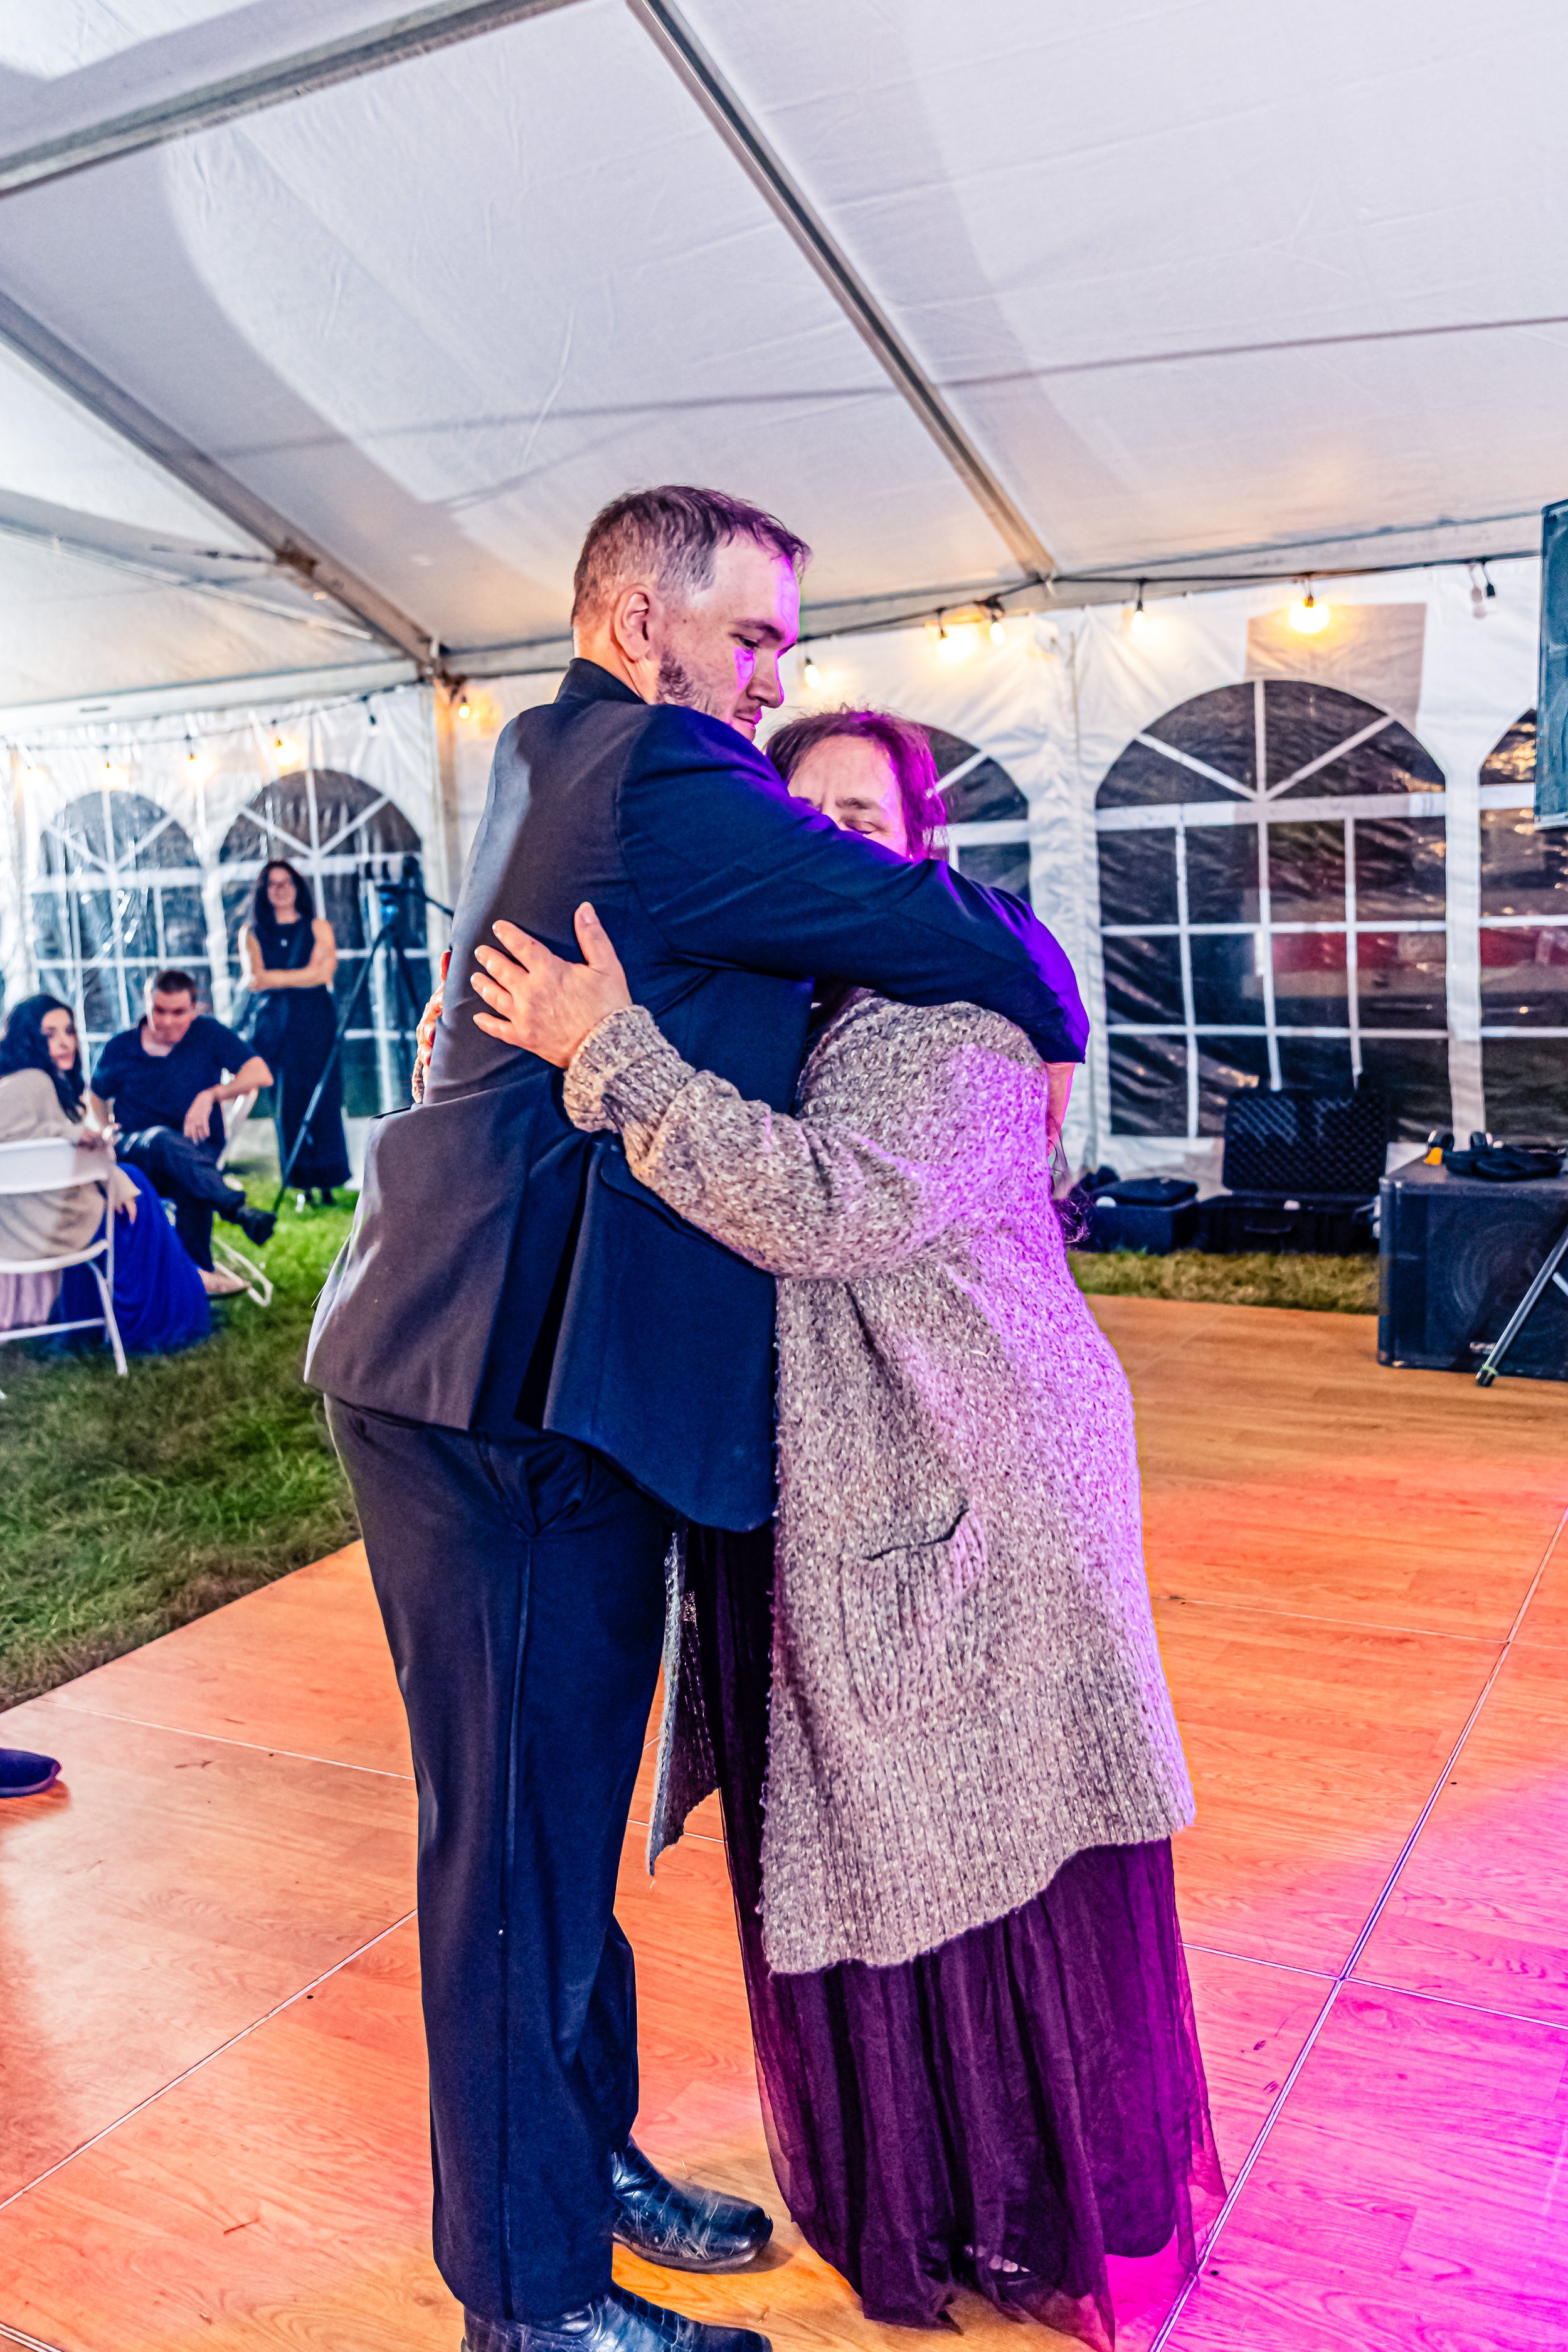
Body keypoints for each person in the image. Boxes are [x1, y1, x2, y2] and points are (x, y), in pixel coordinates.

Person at [305, 485, 1088, 2352]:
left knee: (536, 1826)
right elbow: (933, 925)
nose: (772, 675)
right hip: (511, 1391)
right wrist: (1052, 1003)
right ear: (637, 619)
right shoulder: (658, 772)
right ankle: (533, 2292)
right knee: (515, 1852)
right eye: (751, 636)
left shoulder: (543, 751)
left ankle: (573, 2159)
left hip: (481, 1365)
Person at [468, 706, 1221, 2352]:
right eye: (790, 808)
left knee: (976, 1871)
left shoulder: (941, 1003)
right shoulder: (808, 993)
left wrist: (611, 1050)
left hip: (965, 1491)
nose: (820, 836)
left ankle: (1012, 2210)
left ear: (917, 842)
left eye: (856, 811)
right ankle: (949, 2190)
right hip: (885, 1477)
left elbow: (825, 1207)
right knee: (918, 1864)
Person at [0, 993, 209, 1347]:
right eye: (50, 1035)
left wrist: (94, 1151)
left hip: (46, 1217)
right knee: (136, 1193)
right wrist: (79, 1140)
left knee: (134, 1183)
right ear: (27, 1039)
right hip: (38, 1224)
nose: (65, 1042)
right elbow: (22, 1143)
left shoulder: (42, 1081)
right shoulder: (30, 1081)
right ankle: (152, 1318)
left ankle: (177, 1291)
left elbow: (48, 1144)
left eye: (69, 1031)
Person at [89, 970, 277, 1281]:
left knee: (189, 1175)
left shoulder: (208, 1034)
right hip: (136, 1150)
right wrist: (103, 1126)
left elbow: (261, 1074)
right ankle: (236, 1210)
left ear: (195, 1009)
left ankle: (195, 1276)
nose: (167, 1021)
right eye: (159, 1010)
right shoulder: (121, 1046)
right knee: (162, 1140)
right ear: (147, 1005)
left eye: (178, 1012)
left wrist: (212, 1094)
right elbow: (95, 1096)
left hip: (195, 1151)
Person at [241, 859, 350, 1206]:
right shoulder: (253, 933)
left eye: (286, 882)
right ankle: (301, 1183)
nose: (281, 890)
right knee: (289, 1102)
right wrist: (304, 974)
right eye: (273, 884)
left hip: (317, 1022)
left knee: (325, 1098)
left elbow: (324, 975)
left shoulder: (318, 927)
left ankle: (330, 1180)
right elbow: (254, 980)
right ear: (264, 891)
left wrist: (279, 978)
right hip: (277, 1027)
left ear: (297, 887)